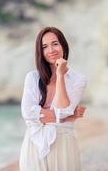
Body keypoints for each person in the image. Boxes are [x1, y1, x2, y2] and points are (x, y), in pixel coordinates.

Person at [19, 27, 88, 171]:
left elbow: (62, 111)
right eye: (45, 46)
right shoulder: (32, 77)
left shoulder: (78, 79)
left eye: (55, 43)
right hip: (34, 142)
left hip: (63, 143)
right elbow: (27, 113)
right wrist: (66, 116)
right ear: (40, 52)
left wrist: (61, 76)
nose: (51, 50)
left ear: (63, 45)